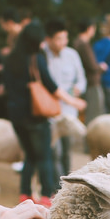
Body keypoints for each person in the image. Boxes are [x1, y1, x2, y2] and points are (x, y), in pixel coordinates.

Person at [4, 22, 86, 206]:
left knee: (30, 155)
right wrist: (73, 102)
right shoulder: (35, 59)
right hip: (35, 115)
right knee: (44, 156)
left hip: (16, 115)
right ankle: (46, 195)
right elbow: (52, 87)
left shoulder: (10, 59)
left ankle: (25, 194)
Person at [44, 18, 87, 177]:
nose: (63, 42)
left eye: (65, 38)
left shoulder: (72, 55)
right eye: (59, 39)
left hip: (69, 111)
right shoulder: (42, 56)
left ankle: (66, 182)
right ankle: (55, 184)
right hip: (50, 112)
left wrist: (78, 88)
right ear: (48, 39)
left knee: (67, 150)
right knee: (55, 151)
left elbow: (81, 79)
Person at [73, 18, 105, 124]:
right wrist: (101, 67)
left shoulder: (76, 42)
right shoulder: (83, 44)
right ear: (89, 28)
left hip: (83, 83)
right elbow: (92, 66)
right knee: (94, 115)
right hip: (91, 83)